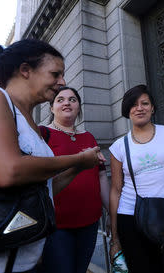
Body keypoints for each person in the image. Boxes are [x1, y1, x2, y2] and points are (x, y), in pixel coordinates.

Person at [0, 39, 104, 273]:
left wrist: (78, 169)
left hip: (23, 262)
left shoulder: (30, 121)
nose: (62, 82)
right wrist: (78, 160)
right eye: (55, 73)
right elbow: (8, 171)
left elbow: (45, 189)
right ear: (25, 70)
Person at [108, 85, 164, 273]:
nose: (140, 108)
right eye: (133, 105)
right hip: (130, 216)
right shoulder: (119, 147)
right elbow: (116, 190)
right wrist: (115, 238)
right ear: (127, 110)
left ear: (152, 108)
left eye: (145, 103)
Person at [38, 86, 110, 273]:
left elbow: (101, 176)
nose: (67, 103)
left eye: (72, 99)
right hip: (57, 226)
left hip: (90, 223)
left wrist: (111, 212)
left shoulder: (88, 137)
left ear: (78, 107)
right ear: (52, 108)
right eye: (60, 100)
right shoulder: (42, 134)